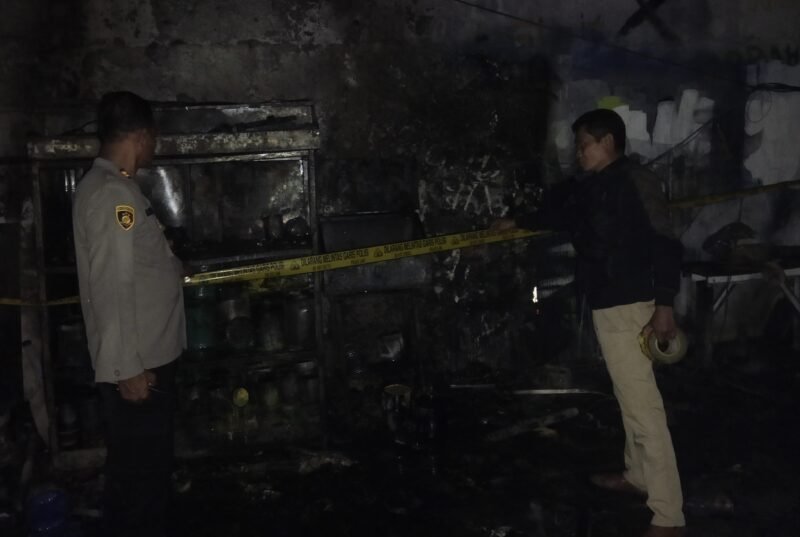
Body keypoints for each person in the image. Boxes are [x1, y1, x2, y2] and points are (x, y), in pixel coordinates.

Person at [493, 109, 685, 537]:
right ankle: (638, 475)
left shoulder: (637, 181)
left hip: (631, 304)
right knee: (629, 396)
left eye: (584, 145)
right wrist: (518, 222)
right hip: (608, 302)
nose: (578, 154)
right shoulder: (595, 186)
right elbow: (562, 216)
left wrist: (665, 305)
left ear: (607, 142)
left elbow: (666, 242)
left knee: (643, 406)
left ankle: (669, 515)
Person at [72, 91, 186, 537]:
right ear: (140, 136)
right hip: (140, 367)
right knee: (140, 480)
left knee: (143, 473)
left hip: (144, 359)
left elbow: (130, 268)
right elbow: (112, 283)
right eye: (152, 138)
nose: (153, 146)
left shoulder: (113, 187)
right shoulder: (112, 195)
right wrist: (127, 369)